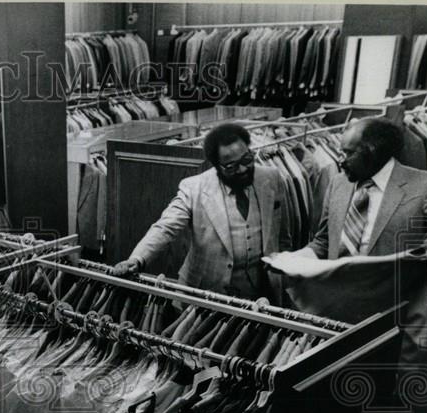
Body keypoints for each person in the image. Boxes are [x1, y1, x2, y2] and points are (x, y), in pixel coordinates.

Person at [285, 117, 427, 356]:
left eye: (348, 153)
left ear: (373, 152)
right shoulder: (338, 184)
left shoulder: (424, 185)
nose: (340, 161)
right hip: (333, 312)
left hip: (391, 319)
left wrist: (420, 252)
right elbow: (323, 241)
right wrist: (294, 259)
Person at [110, 122, 294, 302]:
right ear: (217, 165)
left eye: (247, 159)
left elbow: (283, 236)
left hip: (260, 297)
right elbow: (165, 227)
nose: (243, 169)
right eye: (232, 166)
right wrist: (137, 259)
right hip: (202, 295)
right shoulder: (194, 187)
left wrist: (282, 279)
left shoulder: (271, 178)